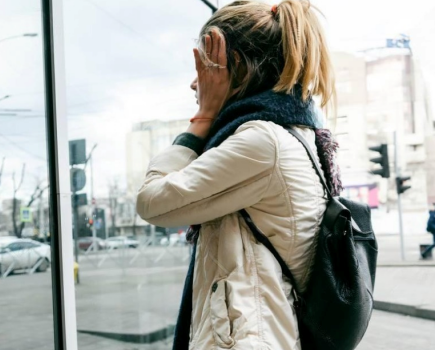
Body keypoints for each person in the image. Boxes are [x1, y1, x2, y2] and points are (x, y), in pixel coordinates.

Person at [136, 1, 342, 349]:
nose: (194, 84)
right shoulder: (289, 131)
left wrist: (202, 117)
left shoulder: (263, 142)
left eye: (204, 69)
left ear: (236, 68)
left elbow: (152, 202)